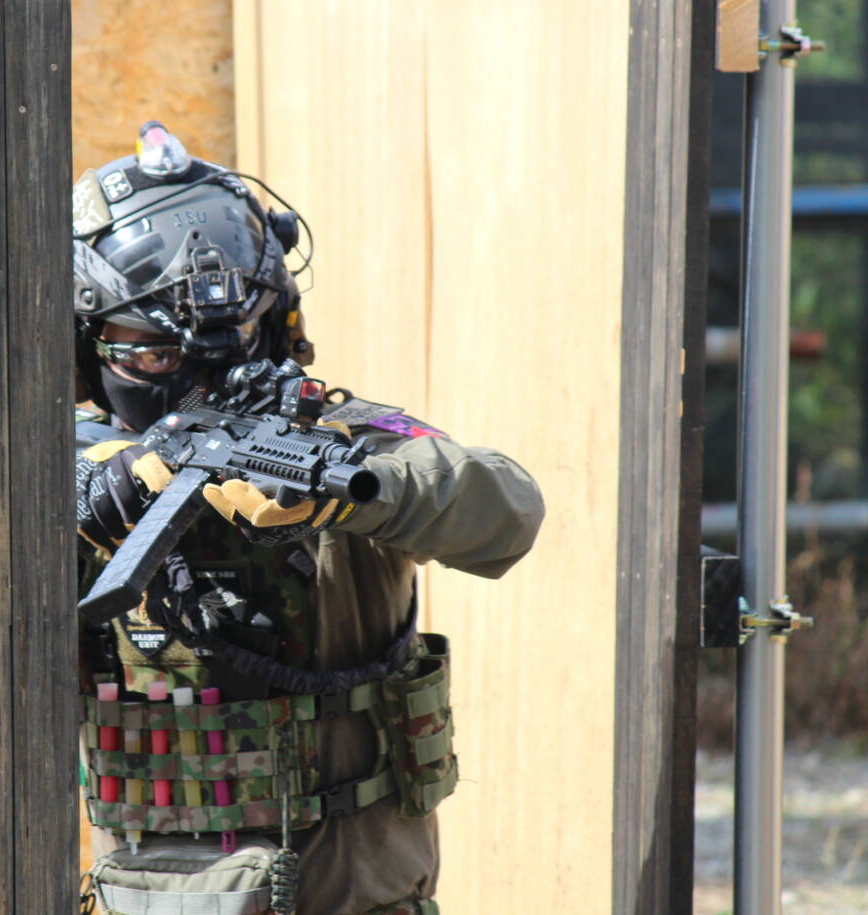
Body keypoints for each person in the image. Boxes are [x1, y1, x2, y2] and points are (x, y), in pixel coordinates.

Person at [72, 123, 543, 915]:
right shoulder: (74, 467)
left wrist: (357, 494)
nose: (197, 378)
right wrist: (112, 490)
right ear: (88, 346)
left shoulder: (343, 436)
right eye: (154, 355)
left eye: (236, 339)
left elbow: (508, 506)